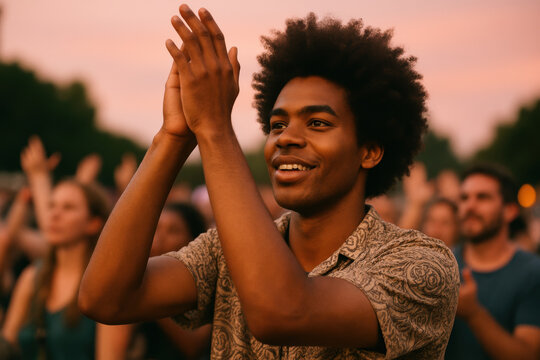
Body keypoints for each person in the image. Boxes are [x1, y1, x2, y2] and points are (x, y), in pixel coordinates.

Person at [79, 5, 459, 359]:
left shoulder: (421, 263)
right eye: (277, 125)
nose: (286, 138)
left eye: (318, 123)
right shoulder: (226, 249)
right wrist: (174, 138)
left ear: (370, 152)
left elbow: (284, 313)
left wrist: (214, 129)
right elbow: (106, 299)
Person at [445, 164, 540, 360]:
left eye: (482, 197)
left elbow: (529, 354)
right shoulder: (443, 265)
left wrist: (473, 314)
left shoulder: (533, 272)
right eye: (464, 198)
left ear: (510, 211)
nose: (469, 206)